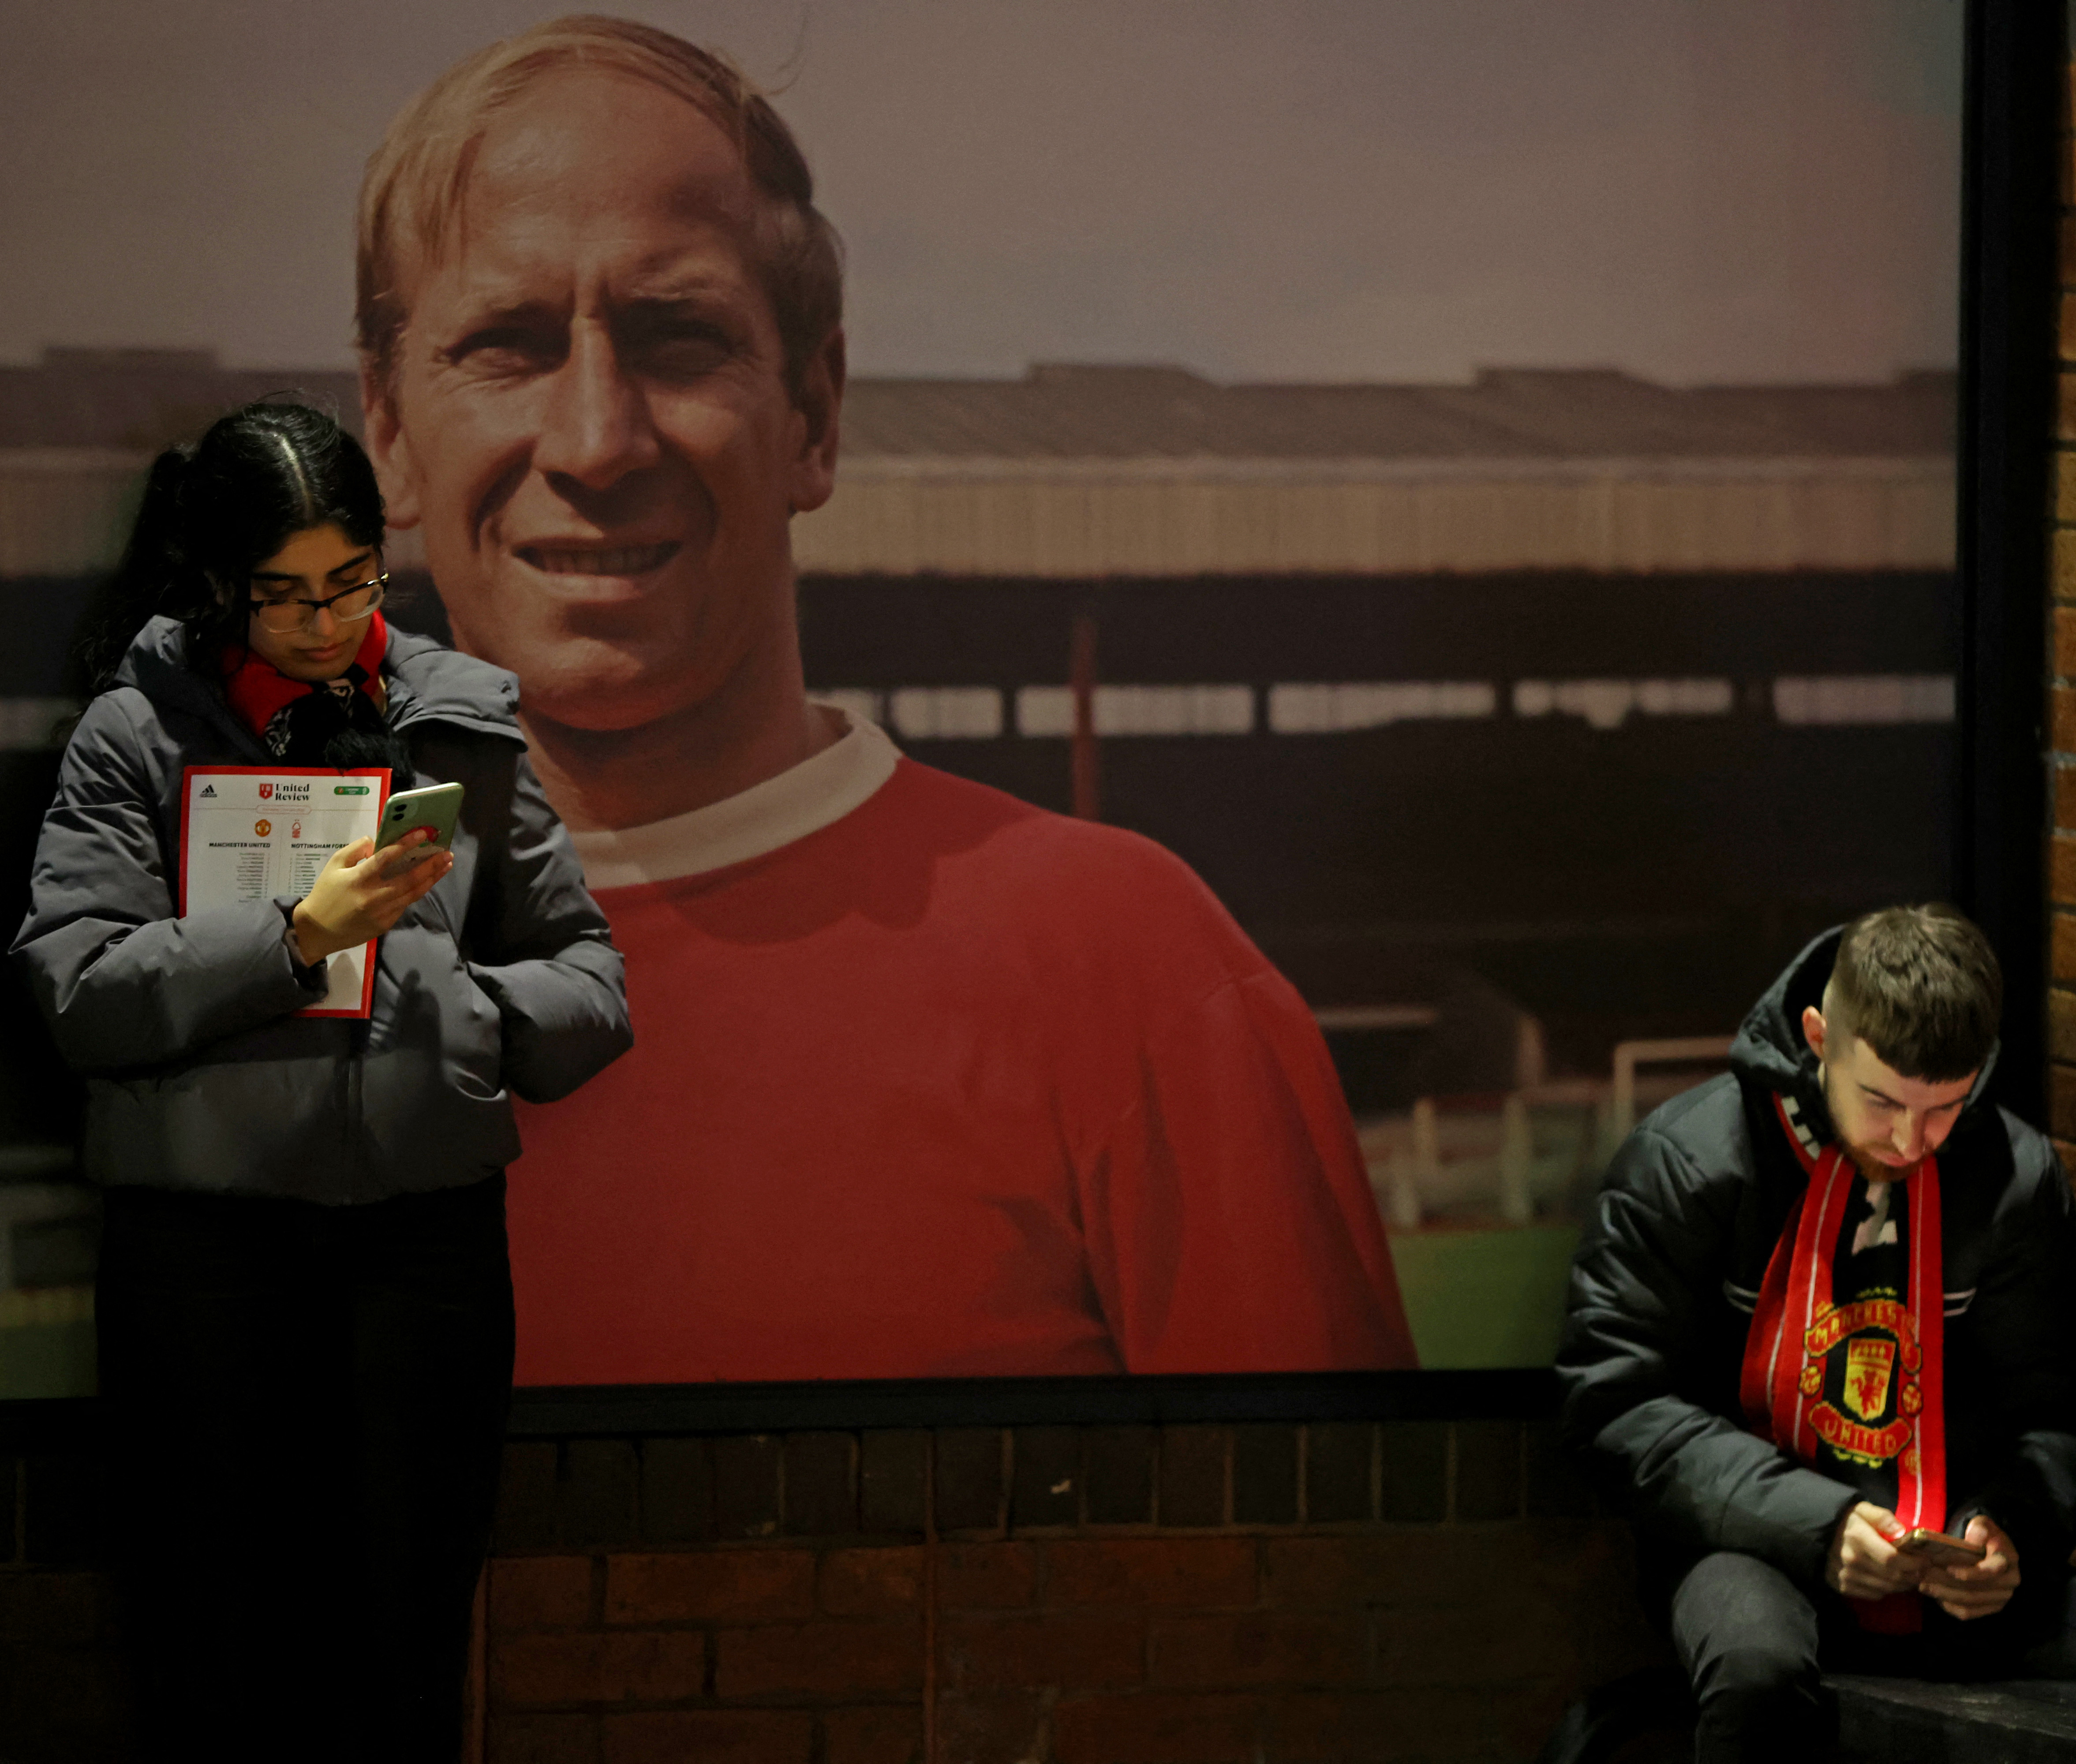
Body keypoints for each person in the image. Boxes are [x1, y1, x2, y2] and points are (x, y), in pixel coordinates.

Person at [353, 16, 1413, 1381]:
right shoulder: (260, 972)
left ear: (816, 413)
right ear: (386, 433)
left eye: (678, 339)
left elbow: (1342, 1580)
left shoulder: (1134, 974)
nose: (596, 439)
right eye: (506, 346)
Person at [13, 401, 631, 1761]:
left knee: (408, 1648)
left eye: (350, 583)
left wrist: (458, 1009)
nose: (320, 621)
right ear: (224, 587)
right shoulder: (138, 734)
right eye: (283, 594)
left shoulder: (456, 723)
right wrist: (295, 937)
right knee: (218, 1648)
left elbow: (593, 987)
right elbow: (79, 994)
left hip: (424, 1247)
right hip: (208, 1253)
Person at [1547, 906, 2076, 1763]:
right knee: (1759, 1673)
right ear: (1818, 1035)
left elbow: (2049, 1417)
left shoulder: (2013, 1176)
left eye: (1944, 1106)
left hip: (1944, 1555)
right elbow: (1613, 1407)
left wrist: (2008, 1532)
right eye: (1882, 1102)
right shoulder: (1688, 1160)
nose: (1910, 1142)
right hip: (1752, 1539)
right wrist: (1822, 1527)